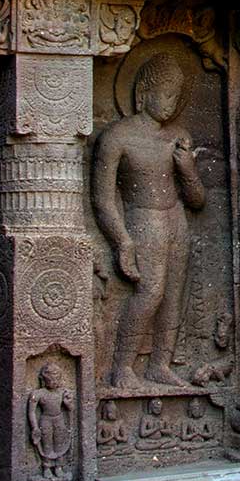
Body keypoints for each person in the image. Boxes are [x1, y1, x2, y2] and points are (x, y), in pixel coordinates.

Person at [92, 52, 206, 389]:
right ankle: (123, 369)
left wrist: (188, 170)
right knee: (150, 293)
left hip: (176, 220)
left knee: (173, 295)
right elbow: (102, 199)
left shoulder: (179, 136)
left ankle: (160, 364)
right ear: (144, 91)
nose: (173, 103)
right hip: (143, 220)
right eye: (167, 94)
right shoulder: (117, 137)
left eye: (178, 95)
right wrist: (122, 240)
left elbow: (198, 201)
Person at [27, 363, 73, 478]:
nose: (54, 382)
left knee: (59, 444)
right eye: (51, 380)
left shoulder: (62, 392)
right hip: (45, 419)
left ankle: (58, 466)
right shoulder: (38, 394)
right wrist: (35, 427)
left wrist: (67, 403)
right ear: (44, 380)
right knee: (46, 444)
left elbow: (71, 409)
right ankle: (47, 467)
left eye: (56, 379)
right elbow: (31, 412)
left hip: (59, 419)